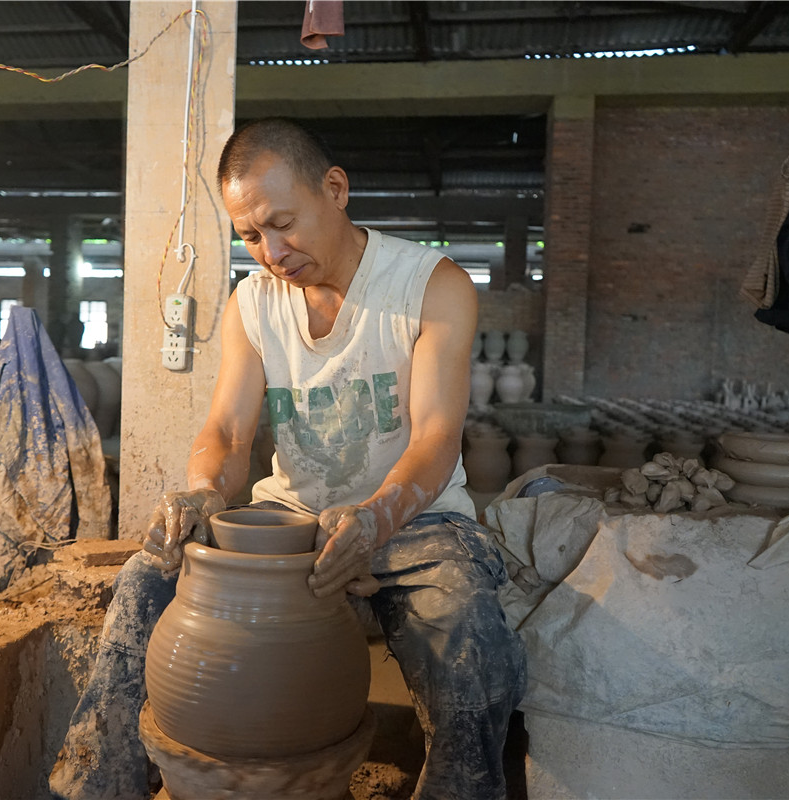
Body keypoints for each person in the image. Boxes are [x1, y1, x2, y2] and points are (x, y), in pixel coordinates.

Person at [50, 117, 527, 800]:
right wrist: (205, 491)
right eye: (249, 235)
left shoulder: (431, 285)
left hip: (416, 521)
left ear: (335, 189)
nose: (270, 251)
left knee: (469, 634)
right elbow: (228, 429)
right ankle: (101, 785)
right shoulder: (255, 301)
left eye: (283, 224)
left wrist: (372, 520)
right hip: (293, 519)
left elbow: (433, 439)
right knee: (142, 579)